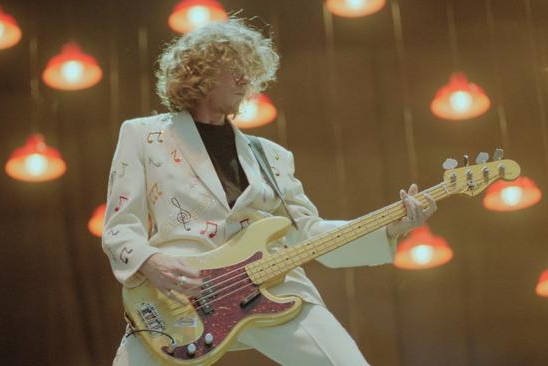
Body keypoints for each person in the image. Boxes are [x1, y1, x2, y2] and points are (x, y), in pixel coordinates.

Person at [102, 18, 436, 366]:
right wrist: (151, 262)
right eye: (235, 69)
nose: (246, 80)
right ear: (198, 73)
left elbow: (307, 232)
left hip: (274, 288)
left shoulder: (272, 156)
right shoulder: (144, 135)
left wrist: (391, 227)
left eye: (250, 71)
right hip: (177, 296)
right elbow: (120, 227)